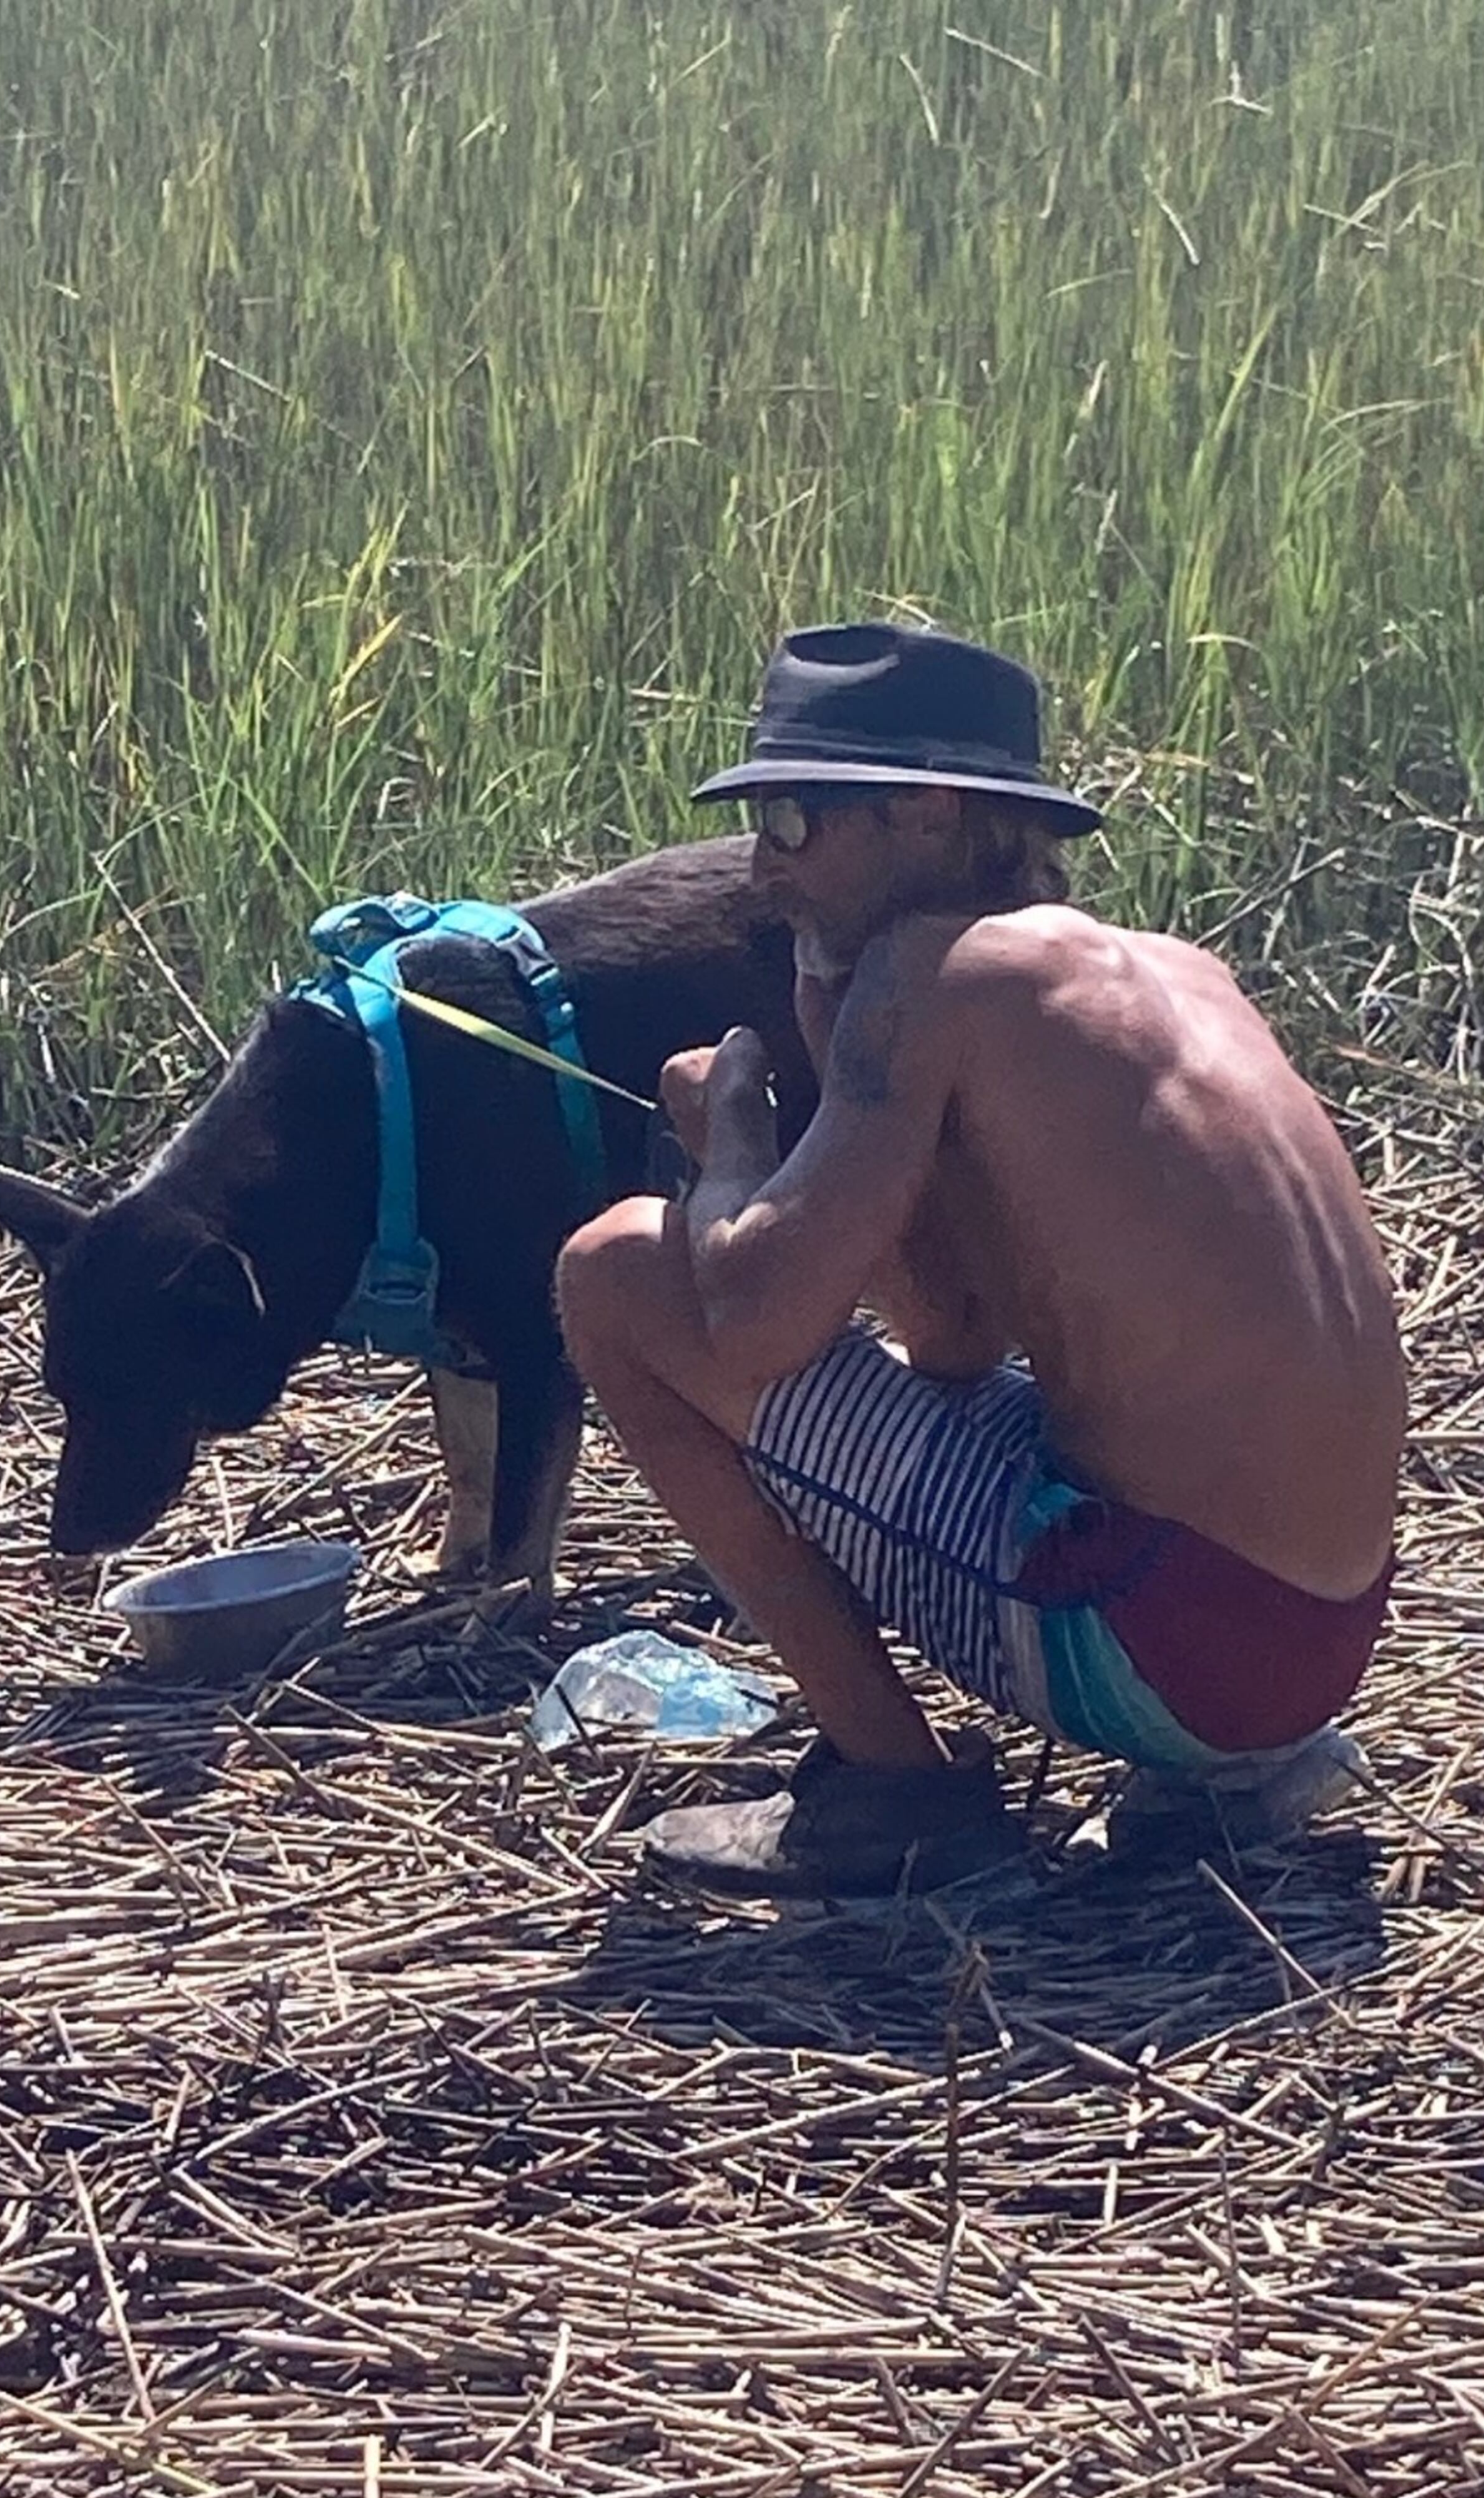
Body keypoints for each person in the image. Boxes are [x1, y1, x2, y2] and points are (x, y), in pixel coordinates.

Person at [555, 620, 1405, 1896]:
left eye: (793, 819)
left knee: (617, 1270)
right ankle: (1235, 1776)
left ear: (931, 812)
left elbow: (748, 1325)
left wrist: (728, 1140)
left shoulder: (925, 977)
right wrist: (829, 1045)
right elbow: (952, 1339)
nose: (762, 870)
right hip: (1312, 1644)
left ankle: (898, 1792)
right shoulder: (1166, 974)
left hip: (1163, 1640)